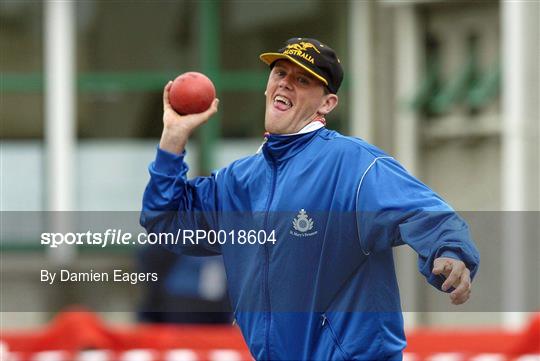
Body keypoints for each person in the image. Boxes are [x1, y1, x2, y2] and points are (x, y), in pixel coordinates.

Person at [141, 37, 480, 360]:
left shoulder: (353, 164)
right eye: (281, 73)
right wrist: (173, 138)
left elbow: (428, 214)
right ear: (268, 85)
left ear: (327, 103)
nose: (286, 83)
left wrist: (451, 253)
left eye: (303, 80)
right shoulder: (239, 181)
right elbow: (165, 221)